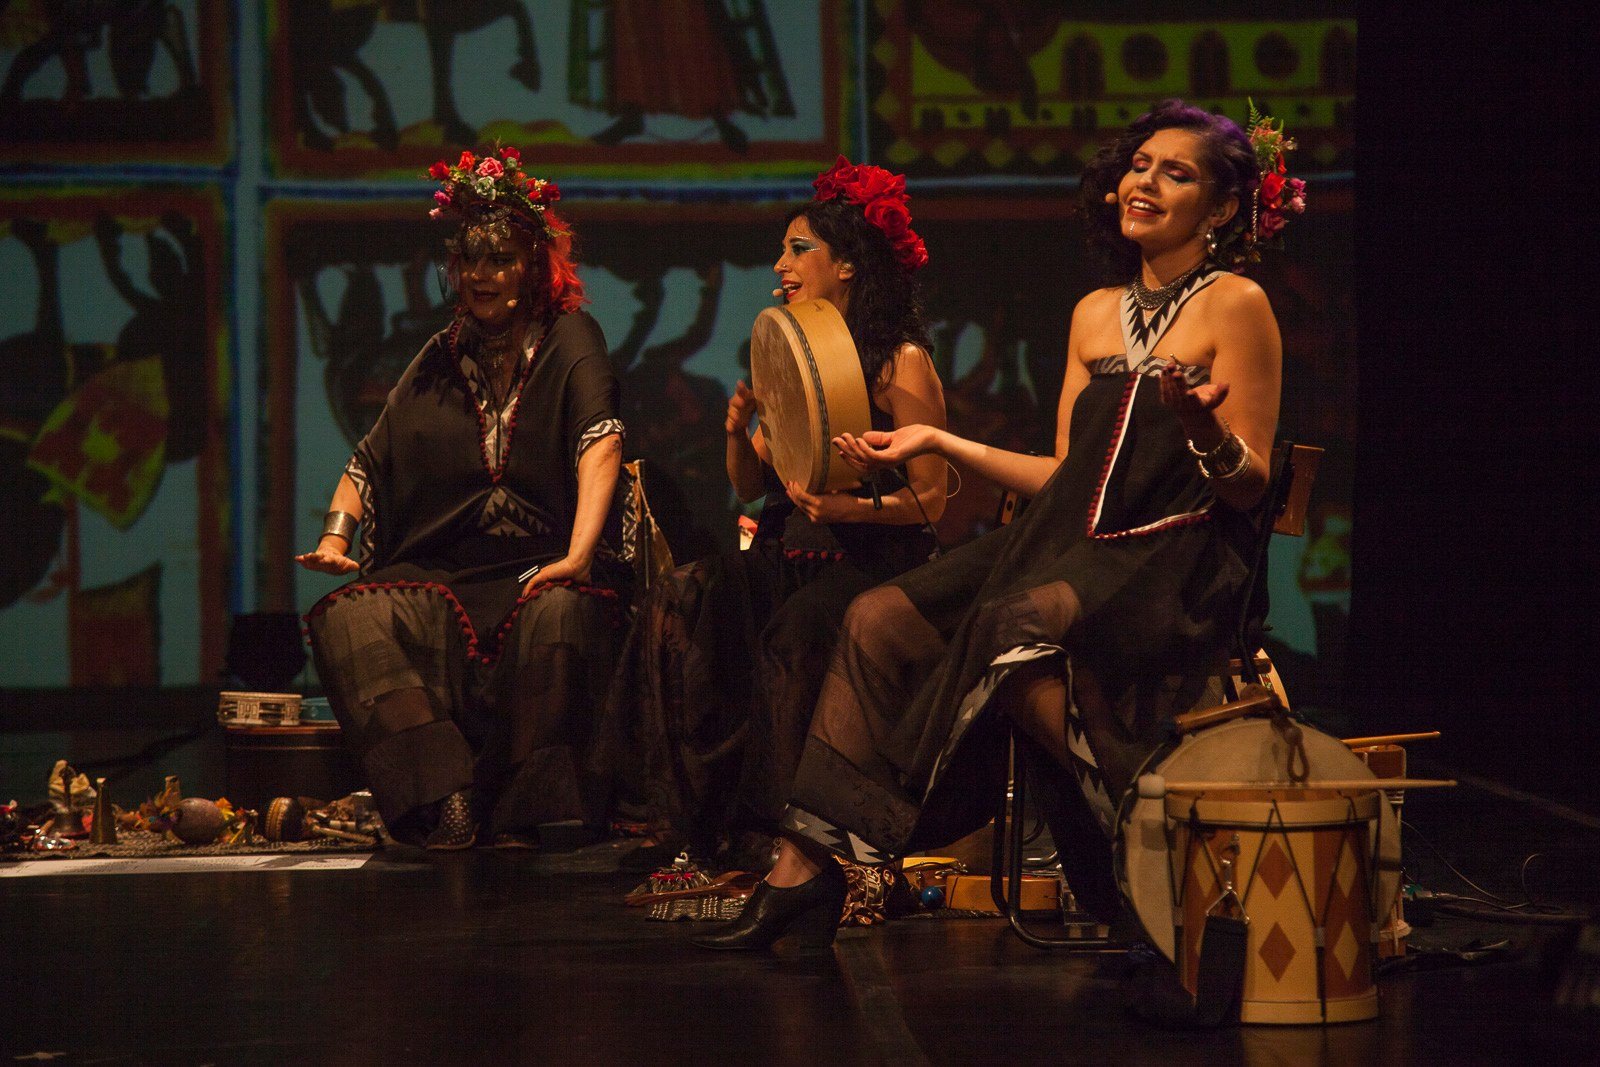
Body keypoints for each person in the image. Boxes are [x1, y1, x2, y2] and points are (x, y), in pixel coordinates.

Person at [694, 99, 1300, 950]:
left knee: (1009, 624)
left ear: (1223, 206)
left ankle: (1141, 836)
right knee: (877, 616)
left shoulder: (1237, 305)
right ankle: (804, 871)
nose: (1146, 183)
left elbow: (1250, 485)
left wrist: (1203, 430)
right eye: (1140, 165)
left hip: (1173, 556)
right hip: (1070, 543)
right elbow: (1063, 475)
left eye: (1177, 173)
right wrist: (940, 440)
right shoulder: (1094, 312)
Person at [598, 157, 947, 867]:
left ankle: (787, 835)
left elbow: (931, 499)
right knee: (683, 597)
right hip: (784, 549)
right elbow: (754, 485)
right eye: (781, 251)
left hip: (867, 563)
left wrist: (846, 506)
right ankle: (687, 816)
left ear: (847, 265)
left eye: (798, 249)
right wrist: (737, 432)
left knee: (797, 631)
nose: (780, 266)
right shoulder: (793, 352)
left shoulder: (899, 360)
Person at [299, 146, 628, 851]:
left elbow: (600, 441)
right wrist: (334, 538)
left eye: (499, 259)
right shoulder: (439, 356)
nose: (480, 275)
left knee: (560, 609)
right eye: (470, 260)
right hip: (450, 575)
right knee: (348, 616)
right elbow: (369, 460)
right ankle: (443, 795)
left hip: (541, 564)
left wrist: (577, 556)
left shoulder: (571, 338)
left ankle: (528, 805)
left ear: (532, 266)